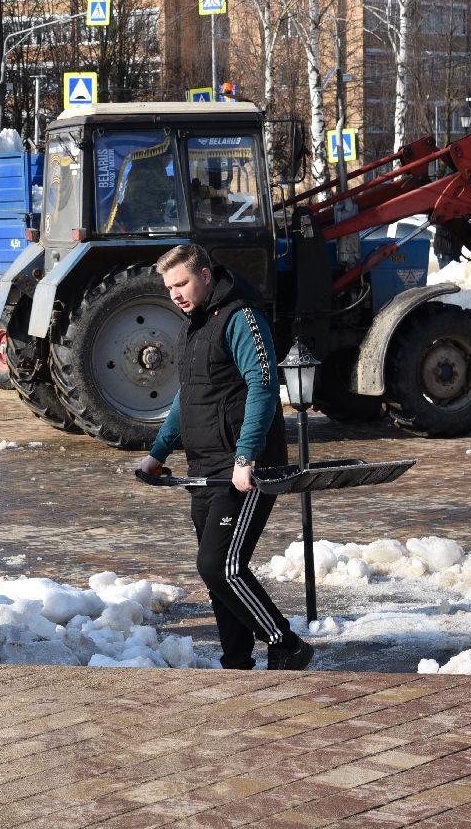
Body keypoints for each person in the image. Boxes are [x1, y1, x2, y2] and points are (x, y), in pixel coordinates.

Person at [134, 244, 313, 671]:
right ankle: (236, 659)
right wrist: (157, 454)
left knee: (221, 566)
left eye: (182, 283)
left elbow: (264, 387)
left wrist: (246, 456)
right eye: (169, 287)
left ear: (206, 275)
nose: (175, 294)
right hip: (205, 468)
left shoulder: (241, 318)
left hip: (246, 467)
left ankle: (285, 642)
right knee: (218, 577)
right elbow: (188, 399)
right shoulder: (194, 327)